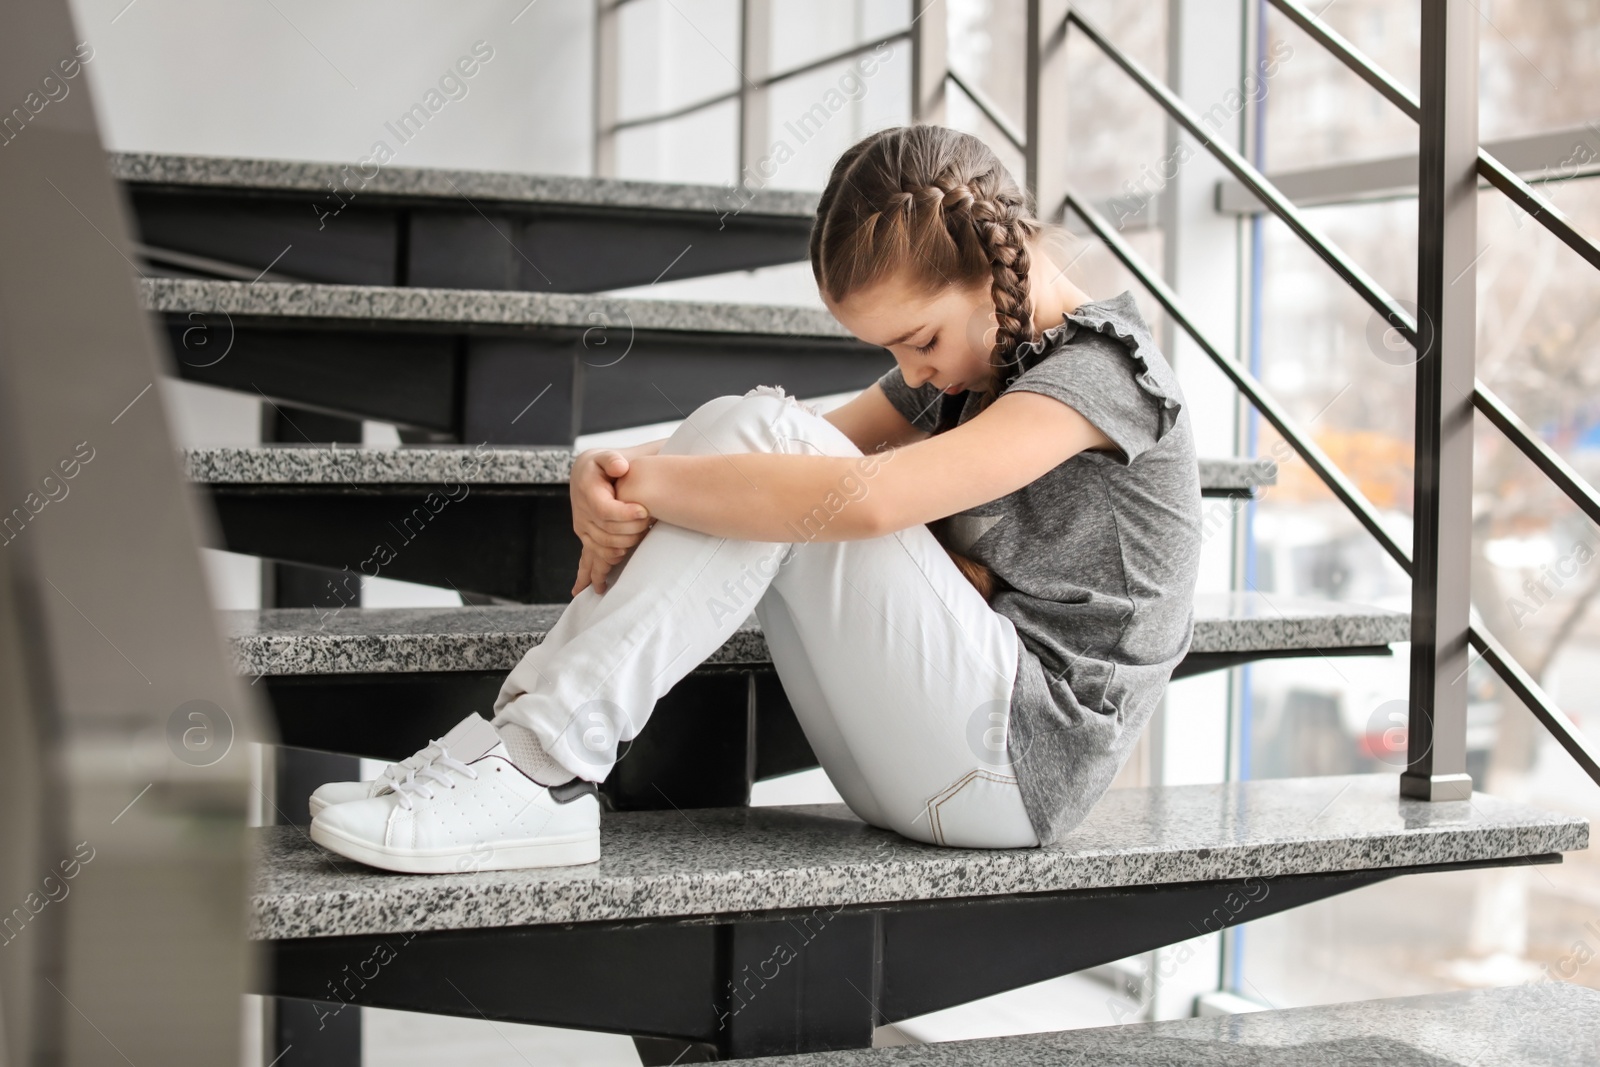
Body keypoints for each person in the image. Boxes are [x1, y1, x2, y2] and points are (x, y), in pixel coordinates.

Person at [307, 125, 1202, 874]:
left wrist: (655, 482)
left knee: (768, 444)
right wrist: (609, 466)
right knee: (748, 424)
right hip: (919, 762)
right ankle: (529, 753)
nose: (912, 370)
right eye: (894, 351)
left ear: (994, 268)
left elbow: (870, 498)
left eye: (919, 338)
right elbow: (787, 434)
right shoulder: (978, 361)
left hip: (1012, 767)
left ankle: (541, 767)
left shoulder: (1104, 375)